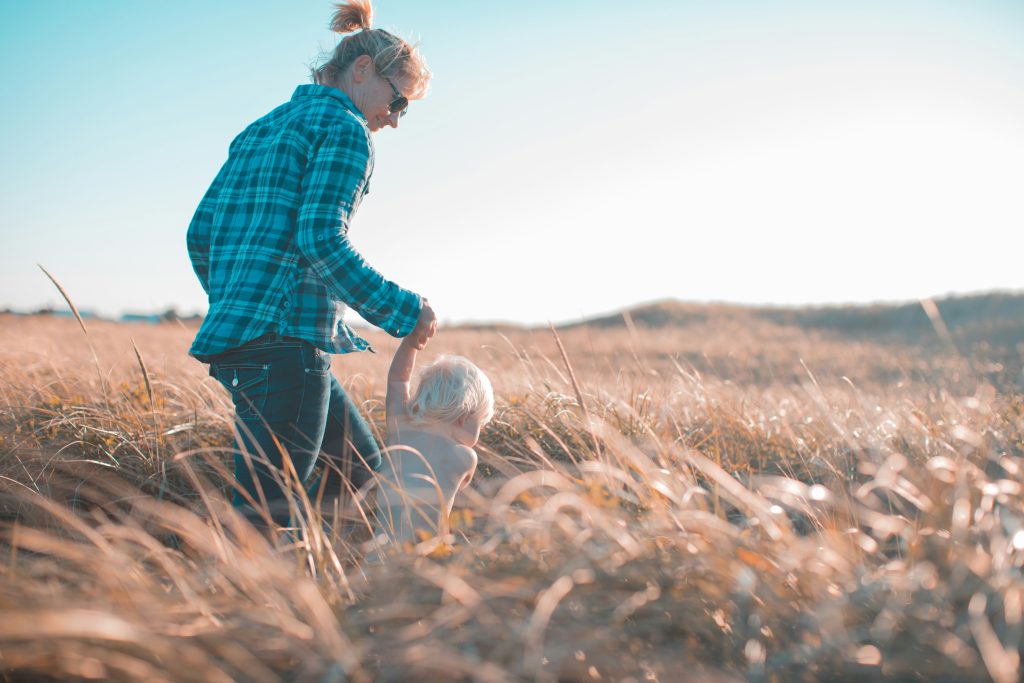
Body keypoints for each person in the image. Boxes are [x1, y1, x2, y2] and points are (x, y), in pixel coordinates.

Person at [185, 0, 435, 527]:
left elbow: (200, 234)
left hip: (247, 341)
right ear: (364, 71)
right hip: (287, 347)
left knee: (365, 480)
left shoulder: (261, 128)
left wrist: (239, 302)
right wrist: (404, 311)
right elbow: (321, 239)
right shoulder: (347, 130)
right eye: (399, 103)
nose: (394, 120)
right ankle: (246, 606)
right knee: (266, 517)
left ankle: (368, 598)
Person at [375, 334, 494, 544]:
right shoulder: (465, 457)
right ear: (463, 418)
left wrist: (410, 344)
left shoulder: (400, 430)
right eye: (480, 424)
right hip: (424, 554)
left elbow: (398, 380)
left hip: (378, 550)